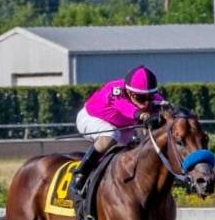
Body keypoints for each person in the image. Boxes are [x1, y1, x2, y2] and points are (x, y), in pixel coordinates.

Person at [69, 65, 168, 201]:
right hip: (91, 118)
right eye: (141, 98)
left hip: (122, 126)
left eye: (149, 98)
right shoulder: (115, 91)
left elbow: (164, 109)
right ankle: (81, 173)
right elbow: (126, 108)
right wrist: (144, 117)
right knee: (111, 135)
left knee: (137, 148)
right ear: (130, 92)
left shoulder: (152, 97)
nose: (146, 103)